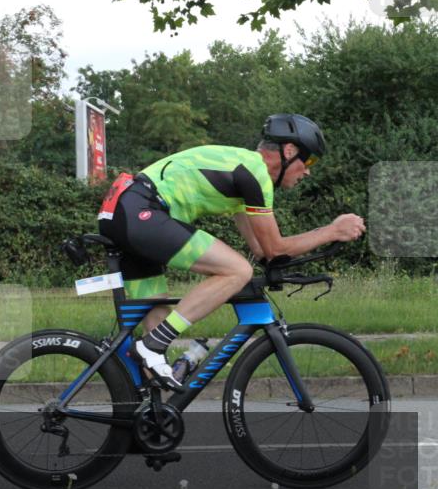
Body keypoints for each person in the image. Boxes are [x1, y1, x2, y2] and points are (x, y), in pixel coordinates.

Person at [96, 113, 366, 390]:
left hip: (126, 211)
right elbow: (275, 247)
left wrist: (289, 264)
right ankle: (152, 344)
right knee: (237, 270)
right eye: (308, 162)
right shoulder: (255, 172)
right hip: (140, 211)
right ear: (289, 151)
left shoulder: (242, 177)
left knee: (156, 327)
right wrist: (332, 231)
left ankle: (146, 403)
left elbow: (265, 252)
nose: (307, 172)